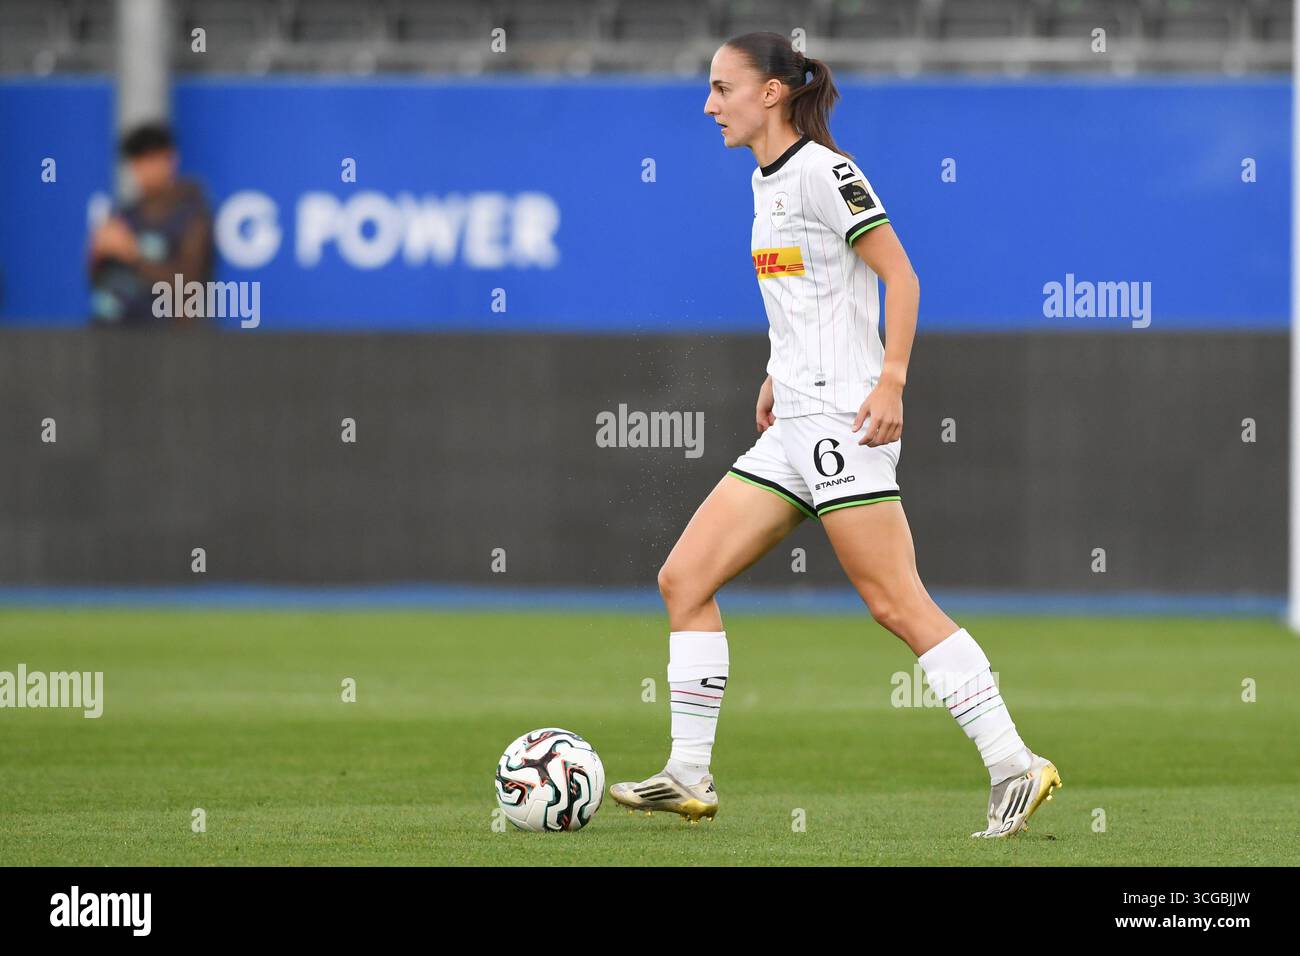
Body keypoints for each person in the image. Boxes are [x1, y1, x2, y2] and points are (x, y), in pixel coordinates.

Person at [609, 33, 1061, 839]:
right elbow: (812, 294)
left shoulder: (825, 170)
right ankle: (688, 773)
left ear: (772, 93)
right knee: (683, 580)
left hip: (846, 423)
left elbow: (902, 275)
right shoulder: (764, 180)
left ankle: (1014, 765)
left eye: (722, 87)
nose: (708, 104)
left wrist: (892, 380)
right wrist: (778, 372)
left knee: (894, 602)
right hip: (793, 424)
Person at [88, 122, 213, 326]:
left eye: (152, 159)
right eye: (138, 161)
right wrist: (96, 254)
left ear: (170, 159)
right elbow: (98, 280)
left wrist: (132, 254)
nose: (145, 169)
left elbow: (190, 287)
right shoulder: (123, 214)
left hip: (162, 342)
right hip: (110, 334)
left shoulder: (193, 215)